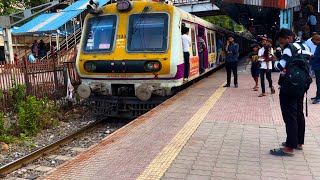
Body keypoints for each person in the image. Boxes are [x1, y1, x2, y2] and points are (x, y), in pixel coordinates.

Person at [271, 28, 312, 156]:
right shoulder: (305, 45)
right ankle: (298, 142)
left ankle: (289, 148)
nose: (281, 44)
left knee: (290, 115)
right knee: (298, 113)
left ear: (289, 38)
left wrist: (274, 61)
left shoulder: (289, 48)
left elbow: (280, 66)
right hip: (302, 84)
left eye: (282, 41)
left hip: (289, 85)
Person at [310, 34, 320, 104]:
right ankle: (317, 96)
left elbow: (317, 56)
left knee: (319, 83)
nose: (314, 44)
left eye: (314, 42)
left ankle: (318, 97)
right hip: (317, 67)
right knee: (317, 82)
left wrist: (313, 56)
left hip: (319, 67)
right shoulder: (318, 47)